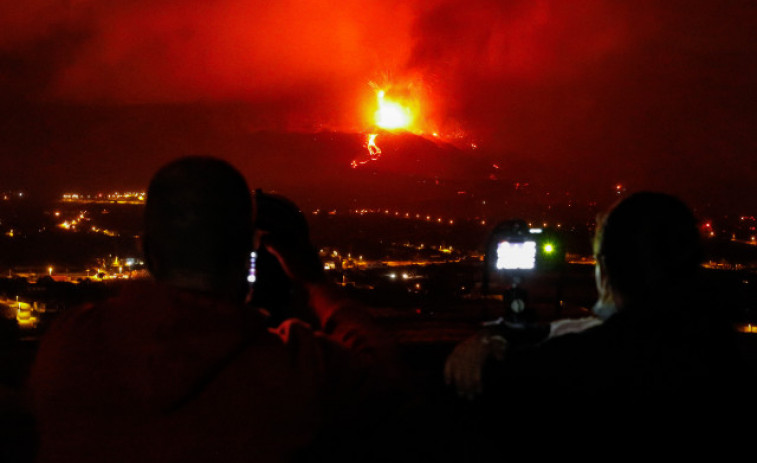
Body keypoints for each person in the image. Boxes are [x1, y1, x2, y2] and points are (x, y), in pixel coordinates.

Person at [29, 156, 399, 463]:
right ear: (246, 256)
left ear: (148, 253)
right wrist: (314, 281)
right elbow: (384, 378)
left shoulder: (70, 345)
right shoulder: (293, 368)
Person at [444, 192, 748, 440]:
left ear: (608, 268)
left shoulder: (585, 361)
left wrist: (486, 344)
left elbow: (501, 384)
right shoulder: (726, 353)